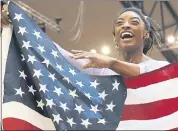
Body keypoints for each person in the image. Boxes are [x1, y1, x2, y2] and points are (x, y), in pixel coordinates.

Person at [1, 2, 169, 78]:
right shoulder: (99, 70)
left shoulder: (161, 68)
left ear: (145, 34)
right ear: (115, 36)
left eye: (134, 22)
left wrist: (111, 63)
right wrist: (18, 25)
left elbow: (145, 75)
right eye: (119, 23)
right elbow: (57, 55)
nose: (125, 26)